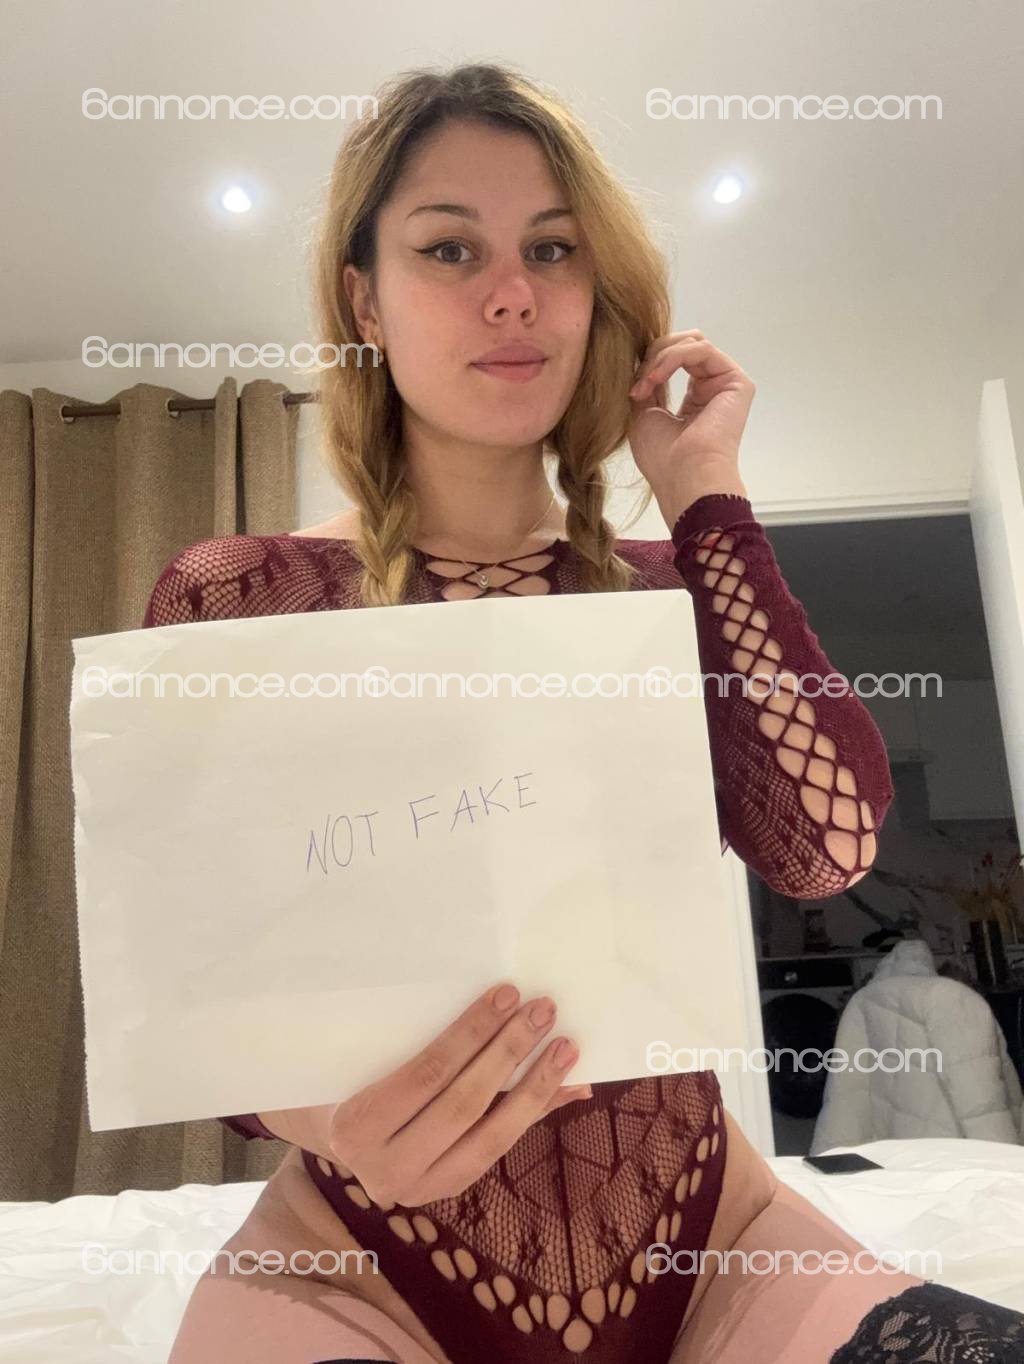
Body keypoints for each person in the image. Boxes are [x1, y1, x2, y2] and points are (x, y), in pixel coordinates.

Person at [151, 61, 1024, 1364]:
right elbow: (189, 975)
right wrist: (317, 1117)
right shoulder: (243, 595)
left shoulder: (670, 589)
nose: (513, 291)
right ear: (364, 300)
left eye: (552, 249)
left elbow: (827, 847)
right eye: (451, 248)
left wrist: (706, 498)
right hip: (355, 1265)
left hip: (713, 1247)